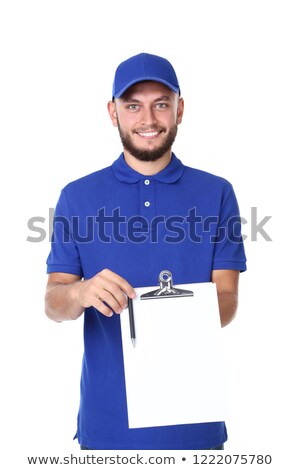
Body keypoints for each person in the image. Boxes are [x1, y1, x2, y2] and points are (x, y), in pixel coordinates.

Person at [45, 52, 247, 450]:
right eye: (133, 105)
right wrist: (80, 292)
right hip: (107, 429)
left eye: (161, 104)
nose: (148, 120)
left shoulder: (217, 193)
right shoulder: (77, 196)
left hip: (195, 427)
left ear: (180, 109)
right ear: (113, 112)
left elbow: (228, 297)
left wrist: (173, 316)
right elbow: (53, 304)